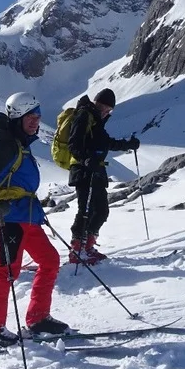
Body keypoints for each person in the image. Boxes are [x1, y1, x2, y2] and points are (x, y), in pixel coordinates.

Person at [0, 92, 67, 349]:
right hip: (8, 217)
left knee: (50, 260)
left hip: (27, 216)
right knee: (7, 271)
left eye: (37, 116)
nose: (36, 121)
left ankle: (37, 319)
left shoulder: (19, 142)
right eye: (30, 117)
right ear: (17, 116)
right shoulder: (5, 142)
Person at [66, 88, 140, 264]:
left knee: (100, 210)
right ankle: (77, 251)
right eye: (104, 106)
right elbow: (73, 144)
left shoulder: (96, 120)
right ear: (96, 102)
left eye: (109, 109)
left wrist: (128, 145)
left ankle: (87, 247)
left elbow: (106, 143)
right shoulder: (85, 115)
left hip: (96, 170)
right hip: (84, 171)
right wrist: (85, 161)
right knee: (86, 210)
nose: (106, 111)